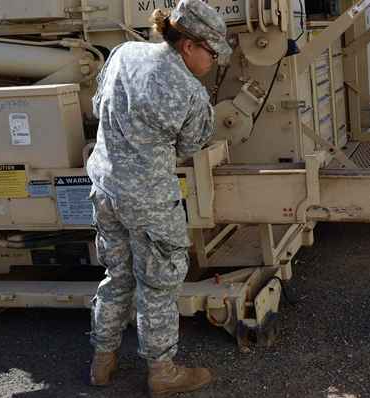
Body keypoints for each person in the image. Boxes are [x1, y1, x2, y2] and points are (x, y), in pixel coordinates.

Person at [85, 0, 231, 396]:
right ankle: (162, 371)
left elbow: (98, 107)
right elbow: (192, 144)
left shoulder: (123, 54)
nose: (214, 61)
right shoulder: (190, 92)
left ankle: (102, 362)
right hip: (149, 201)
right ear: (188, 45)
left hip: (105, 188)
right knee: (158, 286)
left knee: (116, 276)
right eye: (212, 53)